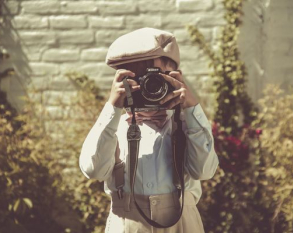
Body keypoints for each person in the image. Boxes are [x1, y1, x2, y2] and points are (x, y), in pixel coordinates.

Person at [79, 28, 219, 233]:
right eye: (137, 78)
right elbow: (93, 170)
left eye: (155, 78)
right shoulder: (113, 126)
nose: (148, 86)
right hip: (126, 224)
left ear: (175, 76)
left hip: (182, 223)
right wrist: (112, 107)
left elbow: (204, 171)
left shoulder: (187, 125)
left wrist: (190, 106)